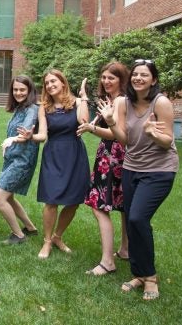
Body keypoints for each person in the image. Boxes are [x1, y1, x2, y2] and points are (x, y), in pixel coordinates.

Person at [98, 59, 178, 301]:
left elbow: (168, 141)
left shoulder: (161, 102)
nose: (138, 78)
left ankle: (150, 278)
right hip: (132, 168)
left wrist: (154, 133)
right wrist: (111, 122)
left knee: (137, 217)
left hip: (159, 170)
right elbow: (125, 141)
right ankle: (139, 273)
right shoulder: (124, 102)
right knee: (134, 223)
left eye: (144, 75)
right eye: (135, 75)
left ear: (153, 80)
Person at [19, 69, 89, 259]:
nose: (50, 85)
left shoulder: (76, 103)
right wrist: (31, 136)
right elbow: (43, 135)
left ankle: (58, 236)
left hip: (74, 154)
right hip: (54, 155)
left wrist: (83, 98)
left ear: (63, 82)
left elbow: (84, 123)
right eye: (47, 83)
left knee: (74, 201)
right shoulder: (44, 107)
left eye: (53, 81)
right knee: (51, 200)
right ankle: (47, 241)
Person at [76, 62, 130, 276]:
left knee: (99, 205)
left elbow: (117, 133)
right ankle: (125, 250)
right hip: (113, 156)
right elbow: (86, 122)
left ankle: (108, 261)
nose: (106, 81)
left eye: (112, 78)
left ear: (121, 80)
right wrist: (84, 97)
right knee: (124, 205)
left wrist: (92, 128)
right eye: (104, 77)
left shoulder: (120, 101)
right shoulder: (112, 100)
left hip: (113, 157)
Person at [0, 75, 40, 244]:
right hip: (12, 157)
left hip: (23, 159)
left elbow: (25, 132)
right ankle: (30, 227)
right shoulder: (20, 108)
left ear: (30, 91)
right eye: (15, 89)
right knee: (8, 196)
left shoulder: (32, 109)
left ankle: (18, 235)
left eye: (22, 90)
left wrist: (11, 140)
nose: (18, 93)